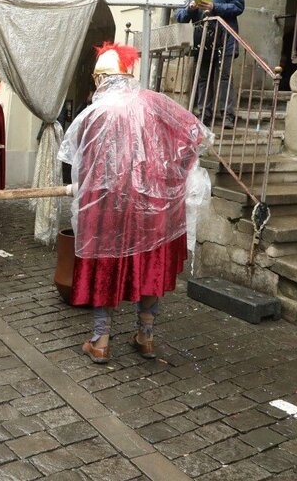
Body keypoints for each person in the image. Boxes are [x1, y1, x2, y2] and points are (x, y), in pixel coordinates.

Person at [58, 43, 209, 364]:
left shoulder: (94, 113)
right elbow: (195, 135)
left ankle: (101, 341)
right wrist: (175, 179)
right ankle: (146, 336)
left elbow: (79, 162)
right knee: (149, 265)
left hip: (107, 207)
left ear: (101, 79)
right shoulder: (156, 103)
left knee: (105, 264)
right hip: (153, 206)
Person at [175, 0, 245, 129]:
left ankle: (227, 116)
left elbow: (239, 5)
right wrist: (190, 8)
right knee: (203, 77)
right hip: (202, 41)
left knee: (225, 77)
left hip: (225, 39)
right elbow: (179, 16)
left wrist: (215, 7)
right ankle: (204, 115)